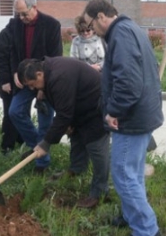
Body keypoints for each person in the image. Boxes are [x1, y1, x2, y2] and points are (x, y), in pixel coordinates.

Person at [83, 0, 166, 236]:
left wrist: (113, 111)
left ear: (100, 16)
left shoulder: (121, 34)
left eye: (90, 24)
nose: (91, 31)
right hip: (141, 114)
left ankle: (147, 234)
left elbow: (128, 82)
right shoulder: (129, 29)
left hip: (131, 118)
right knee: (133, 172)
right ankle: (132, 216)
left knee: (123, 175)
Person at [18, 57, 110, 208]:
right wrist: (68, 123)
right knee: (77, 137)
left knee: (97, 148)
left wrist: (45, 144)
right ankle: (77, 169)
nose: (33, 89)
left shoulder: (58, 76)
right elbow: (64, 109)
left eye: (33, 85)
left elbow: (64, 115)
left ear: (39, 74)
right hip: (80, 106)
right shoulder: (48, 72)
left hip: (97, 106)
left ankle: (100, 193)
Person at [8, 0, 63, 174]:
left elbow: (55, 57)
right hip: (24, 80)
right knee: (15, 112)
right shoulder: (15, 24)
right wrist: (16, 71)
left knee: (44, 120)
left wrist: (44, 87)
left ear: (34, 7)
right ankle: (37, 150)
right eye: (19, 15)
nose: (22, 18)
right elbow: (13, 50)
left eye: (24, 14)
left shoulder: (51, 25)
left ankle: (42, 166)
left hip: (45, 80)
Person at [0, 20, 23, 155]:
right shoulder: (6, 34)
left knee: (20, 112)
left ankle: (20, 139)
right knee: (9, 114)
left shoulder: (22, 33)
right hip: (8, 84)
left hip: (22, 82)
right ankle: (6, 147)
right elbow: (0, 59)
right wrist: (5, 81)